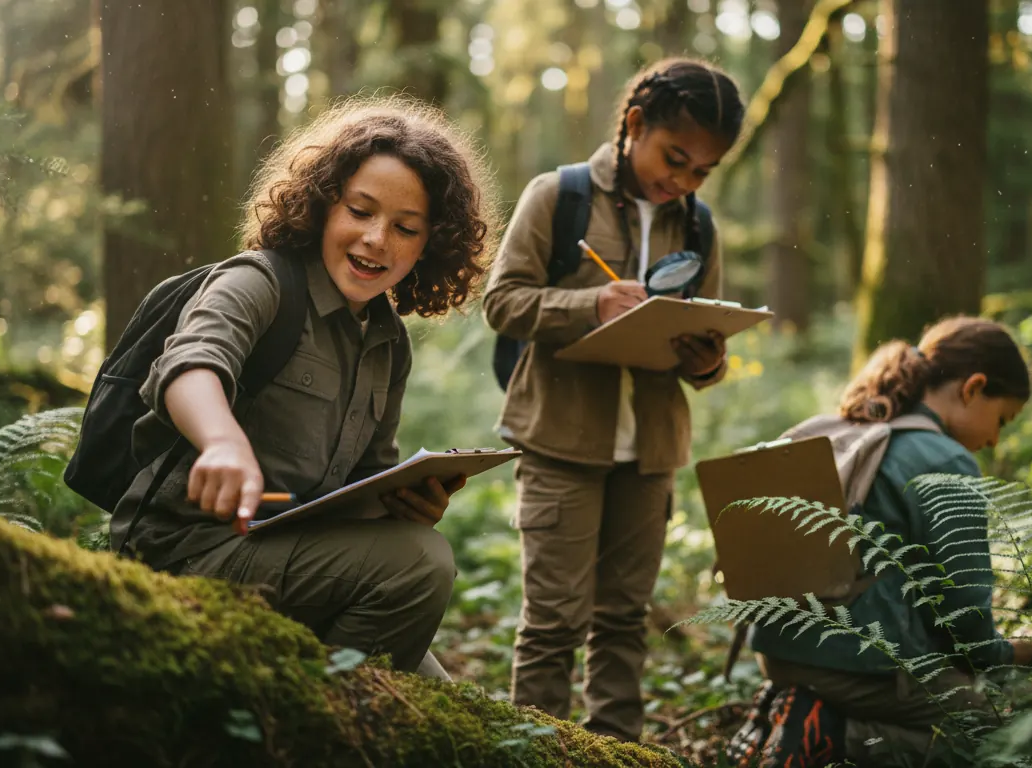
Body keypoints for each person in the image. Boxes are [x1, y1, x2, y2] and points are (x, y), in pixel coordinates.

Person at [108, 96, 496, 674]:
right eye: (360, 211)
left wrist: (407, 504)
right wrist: (222, 440)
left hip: (284, 557)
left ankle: (328, 701)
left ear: (428, 245)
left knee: (452, 699)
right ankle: (316, 723)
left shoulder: (388, 341)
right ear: (323, 206)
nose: (376, 239)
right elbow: (190, 362)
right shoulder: (259, 281)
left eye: (404, 227)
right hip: (185, 553)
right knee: (421, 564)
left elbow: (362, 486)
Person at [482, 58, 745, 742]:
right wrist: (590, 304)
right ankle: (533, 748)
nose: (683, 180)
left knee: (625, 617)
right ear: (635, 125)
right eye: (675, 157)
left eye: (701, 171)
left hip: (651, 452)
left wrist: (709, 359)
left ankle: (614, 749)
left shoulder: (699, 227)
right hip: (559, 442)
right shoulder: (558, 196)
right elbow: (502, 303)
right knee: (554, 621)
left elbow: (708, 344)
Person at [735, 317, 1032, 767]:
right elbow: (962, 609)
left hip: (779, 652)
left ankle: (798, 709)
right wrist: (1007, 653)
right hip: (857, 665)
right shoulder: (945, 461)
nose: (994, 439)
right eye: (1002, 420)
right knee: (995, 738)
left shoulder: (839, 430)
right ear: (973, 388)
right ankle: (829, 734)